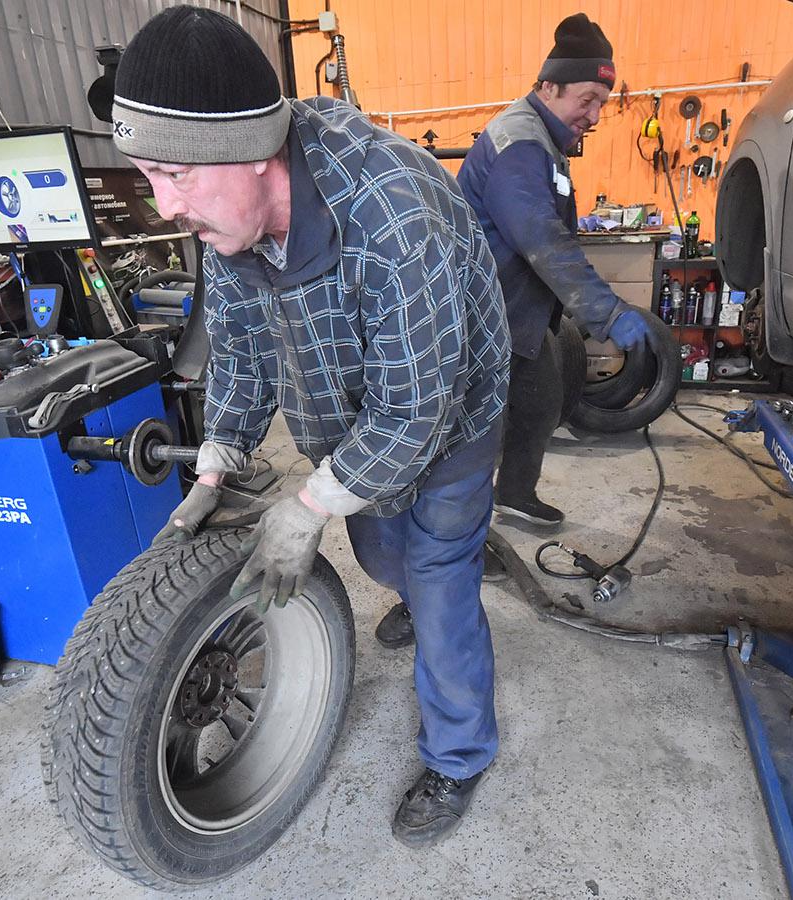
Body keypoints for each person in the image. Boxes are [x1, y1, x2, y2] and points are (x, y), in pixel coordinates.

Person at [112, 6, 509, 848]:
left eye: (175, 175)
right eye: (148, 174)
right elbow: (245, 350)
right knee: (380, 549)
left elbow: (414, 412)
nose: (164, 206)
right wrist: (216, 462)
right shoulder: (231, 222)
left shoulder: (395, 216)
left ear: (255, 153)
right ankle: (421, 583)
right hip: (348, 423)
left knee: (438, 580)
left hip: (451, 413)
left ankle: (461, 753)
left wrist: (306, 503)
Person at [374, 13, 653, 651]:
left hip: (519, 320)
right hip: (477, 325)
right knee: (454, 470)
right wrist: (605, 312)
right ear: (551, 87)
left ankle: (517, 494)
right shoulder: (521, 144)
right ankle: (418, 599)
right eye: (588, 99)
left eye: (603, 104)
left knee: (542, 399)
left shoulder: (546, 142)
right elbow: (539, 237)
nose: (594, 113)